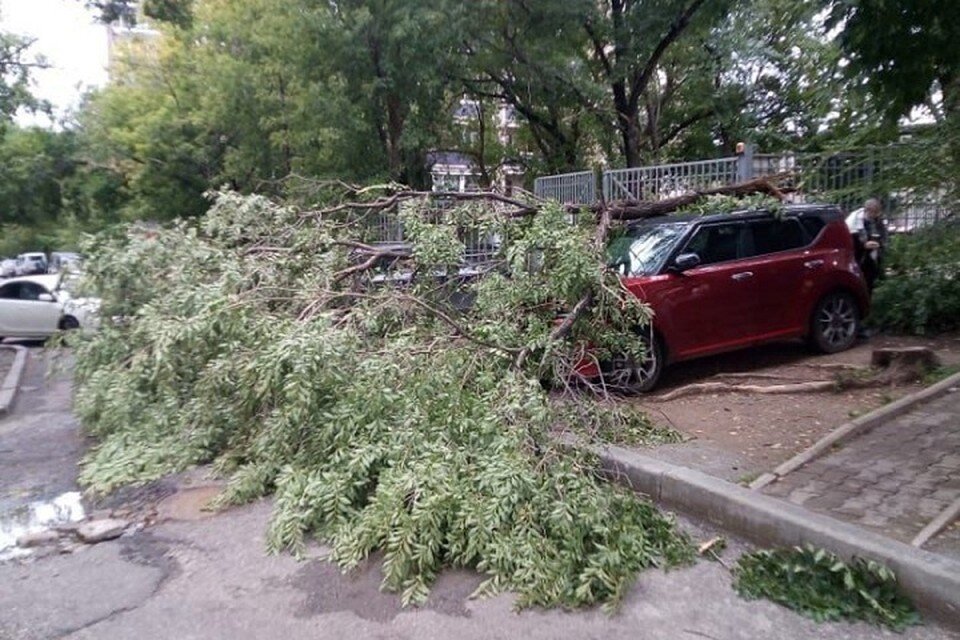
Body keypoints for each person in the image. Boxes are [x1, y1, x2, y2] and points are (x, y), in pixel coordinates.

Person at [856, 198, 888, 294]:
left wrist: (881, 243)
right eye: (873, 212)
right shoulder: (857, 221)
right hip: (861, 258)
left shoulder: (878, 221)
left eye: (877, 212)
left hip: (874, 256)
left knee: (870, 283)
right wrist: (863, 245)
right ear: (867, 210)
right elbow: (853, 239)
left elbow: (884, 235)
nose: (875, 215)